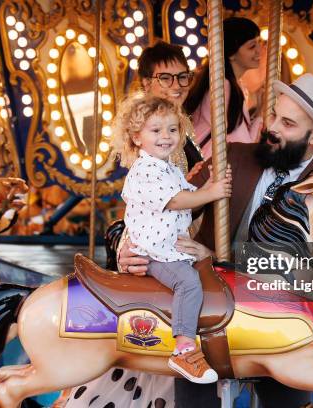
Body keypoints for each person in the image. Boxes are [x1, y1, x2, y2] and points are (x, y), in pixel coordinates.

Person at [118, 73, 313, 407]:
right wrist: (130, 248)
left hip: (279, 318)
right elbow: (162, 204)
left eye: (288, 123)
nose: (273, 128)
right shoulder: (233, 157)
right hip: (211, 313)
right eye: (274, 115)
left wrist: (220, 257)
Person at [112, 93, 232, 384]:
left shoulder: (165, 167)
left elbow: (189, 190)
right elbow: (178, 200)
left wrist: (212, 181)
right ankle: (184, 348)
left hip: (168, 246)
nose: (166, 137)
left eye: (172, 129)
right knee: (188, 282)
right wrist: (213, 192)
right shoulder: (145, 170)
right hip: (153, 252)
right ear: (137, 138)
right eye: (156, 130)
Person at [184, 17, 263, 160]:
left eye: (259, 43)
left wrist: (259, 112)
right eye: (252, 46)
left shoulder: (231, 85)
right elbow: (241, 144)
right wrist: (261, 115)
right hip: (211, 167)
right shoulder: (223, 87)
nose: (259, 50)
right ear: (232, 53)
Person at [138, 41, 202, 173]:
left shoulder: (180, 121)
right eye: (165, 78)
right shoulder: (146, 125)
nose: (177, 85)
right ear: (147, 83)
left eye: (182, 77)